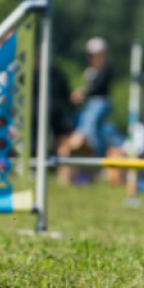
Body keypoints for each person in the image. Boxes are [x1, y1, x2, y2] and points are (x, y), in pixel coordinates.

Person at [57, 37, 114, 184]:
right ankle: (94, 166)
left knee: (90, 134)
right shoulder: (92, 69)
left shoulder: (105, 67)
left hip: (98, 103)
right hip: (91, 104)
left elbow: (97, 88)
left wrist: (83, 94)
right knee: (98, 134)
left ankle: (96, 165)